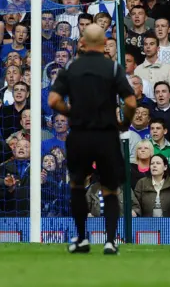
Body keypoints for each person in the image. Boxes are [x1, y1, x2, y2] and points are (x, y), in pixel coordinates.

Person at [48, 24, 137, 255]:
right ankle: (110, 241)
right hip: (106, 134)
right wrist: (124, 123)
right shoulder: (113, 67)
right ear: (105, 43)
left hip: (79, 134)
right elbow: (130, 102)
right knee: (110, 189)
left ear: (83, 43)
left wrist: (71, 113)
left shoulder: (71, 67)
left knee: (77, 184)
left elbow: (53, 100)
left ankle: (81, 238)